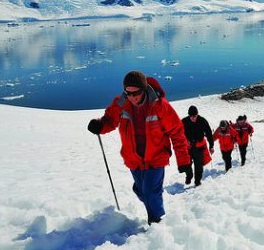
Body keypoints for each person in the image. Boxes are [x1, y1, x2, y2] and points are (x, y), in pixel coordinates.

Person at [87, 71, 191, 225]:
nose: (132, 97)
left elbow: (176, 132)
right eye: (128, 93)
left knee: (150, 191)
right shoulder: (121, 104)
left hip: (156, 158)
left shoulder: (160, 106)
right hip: (134, 159)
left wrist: (183, 160)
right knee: (143, 191)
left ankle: (156, 221)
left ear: (144, 89)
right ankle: (145, 198)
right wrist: (100, 125)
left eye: (136, 93)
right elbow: (109, 120)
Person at [181, 105, 214, 186]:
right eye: (191, 116)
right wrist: (185, 140)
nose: (193, 118)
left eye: (194, 116)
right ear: (188, 115)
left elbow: (209, 133)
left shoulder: (202, 121)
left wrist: (211, 146)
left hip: (199, 147)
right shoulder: (183, 121)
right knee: (187, 164)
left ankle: (197, 182)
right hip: (188, 147)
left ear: (197, 114)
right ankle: (189, 176)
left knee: (198, 166)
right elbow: (178, 134)